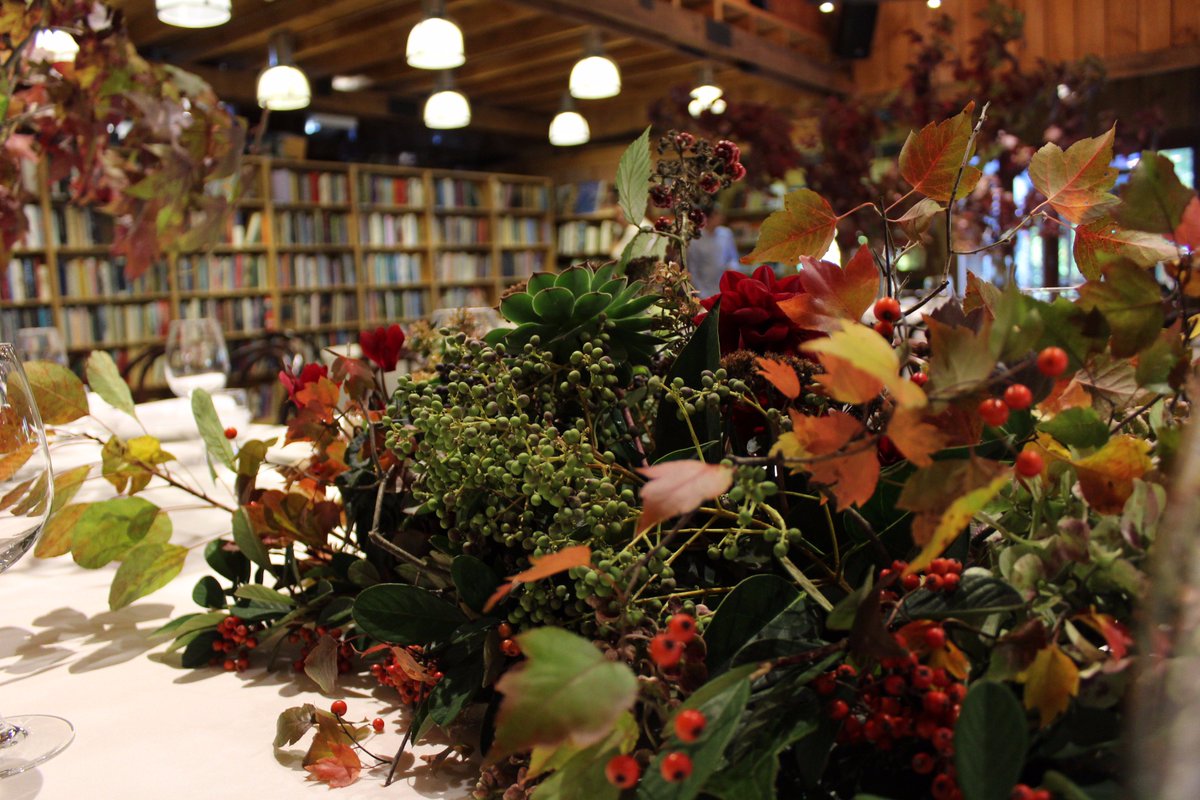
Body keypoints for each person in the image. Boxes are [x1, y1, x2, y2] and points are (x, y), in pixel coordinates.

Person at [686, 206, 740, 298]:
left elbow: (733, 258)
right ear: (708, 218)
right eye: (717, 215)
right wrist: (700, 293)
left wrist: (732, 267)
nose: (721, 217)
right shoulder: (695, 239)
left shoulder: (726, 233)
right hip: (704, 290)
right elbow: (692, 269)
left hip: (724, 287)